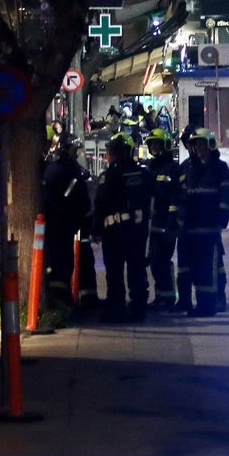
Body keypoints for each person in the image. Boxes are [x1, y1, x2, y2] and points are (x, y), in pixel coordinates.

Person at [92, 132, 152, 323]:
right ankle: (138, 308)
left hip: (114, 232)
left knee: (114, 272)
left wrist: (96, 229)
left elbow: (100, 204)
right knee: (136, 269)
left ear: (113, 154)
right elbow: (150, 200)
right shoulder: (142, 173)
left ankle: (116, 309)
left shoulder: (109, 175)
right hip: (136, 231)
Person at [176, 128, 229, 317]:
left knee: (207, 269)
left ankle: (207, 306)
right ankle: (202, 305)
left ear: (210, 145)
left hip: (209, 228)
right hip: (192, 228)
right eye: (196, 145)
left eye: (201, 144)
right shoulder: (191, 169)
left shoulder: (219, 168)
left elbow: (227, 195)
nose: (198, 148)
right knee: (197, 270)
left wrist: (221, 221)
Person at [41, 134, 91, 310]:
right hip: (62, 224)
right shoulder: (67, 171)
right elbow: (75, 197)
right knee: (63, 262)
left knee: (60, 261)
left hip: (58, 223)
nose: (77, 154)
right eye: (75, 150)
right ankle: (60, 299)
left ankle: (62, 297)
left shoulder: (54, 168)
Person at [144, 128, 181, 310]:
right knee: (154, 261)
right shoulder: (150, 168)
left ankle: (169, 297)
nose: (154, 147)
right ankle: (160, 296)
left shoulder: (172, 168)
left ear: (165, 145)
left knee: (163, 260)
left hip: (166, 222)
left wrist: (171, 224)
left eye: (157, 143)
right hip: (153, 223)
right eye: (152, 144)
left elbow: (175, 198)